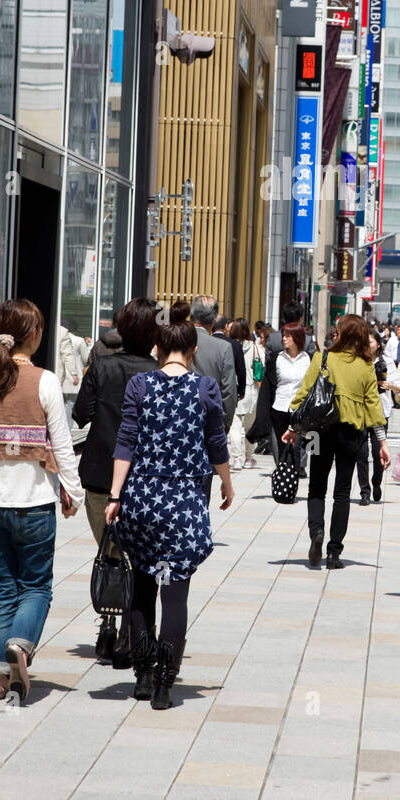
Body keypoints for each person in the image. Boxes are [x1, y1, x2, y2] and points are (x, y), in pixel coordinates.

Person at [0, 299, 84, 702]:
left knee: (0, 590)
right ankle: (20, 645)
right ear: (36, 335)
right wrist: (73, 493)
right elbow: (62, 447)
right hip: (34, 504)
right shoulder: (44, 381)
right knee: (36, 588)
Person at [105, 302, 233, 710]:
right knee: (175, 595)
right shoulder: (204, 389)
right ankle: (164, 682)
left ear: (159, 349)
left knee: (142, 587)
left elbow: (125, 442)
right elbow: (217, 444)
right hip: (183, 502)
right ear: (193, 350)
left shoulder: (140, 386)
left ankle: (142, 675)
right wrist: (227, 484)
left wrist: (114, 496)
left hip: (141, 498)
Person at [72, 297, 159, 661]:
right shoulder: (159, 373)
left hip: (100, 474)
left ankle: (108, 627)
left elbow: (80, 415)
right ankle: (130, 633)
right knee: (137, 555)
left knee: (109, 550)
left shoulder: (102, 368)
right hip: (145, 476)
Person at [284, 314, 389, 569]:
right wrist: (382, 442)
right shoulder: (365, 366)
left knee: (316, 486)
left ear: (339, 333)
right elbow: (374, 405)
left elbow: (305, 392)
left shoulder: (323, 358)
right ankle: (334, 553)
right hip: (351, 434)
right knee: (342, 492)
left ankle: (316, 532)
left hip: (318, 432)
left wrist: (292, 427)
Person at [357, 329, 400, 504]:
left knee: (378, 453)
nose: (368, 345)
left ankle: (376, 482)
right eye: (365, 341)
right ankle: (364, 492)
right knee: (361, 454)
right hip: (360, 413)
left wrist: (390, 385)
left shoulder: (387, 362)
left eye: (371, 341)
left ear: (378, 344)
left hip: (381, 412)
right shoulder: (358, 361)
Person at [189, 295, 237, 428]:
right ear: (214, 320)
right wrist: (224, 423)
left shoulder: (178, 340)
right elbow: (229, 391)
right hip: (211, 420)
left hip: (178, 417)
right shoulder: (223, 347)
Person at [270, 325, 310, 478]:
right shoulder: (277, 358)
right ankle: (282, 480)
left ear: (297, 338)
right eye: (283, 336)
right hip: (279, 408)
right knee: (280, 448)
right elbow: (271, 384)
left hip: (299, 411)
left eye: (288, 336)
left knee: (296, 447)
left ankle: (293, 481)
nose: (284, 339)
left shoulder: (307, 359)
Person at [227, 319, 259, 469]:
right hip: (251, 390)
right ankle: (248, 457)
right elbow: (263, 363)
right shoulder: (254, 346)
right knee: (249, 426)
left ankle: (237, 459)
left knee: (235, 425)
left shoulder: (229, 346)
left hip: (235, 388)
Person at [213, 315, 246, 400]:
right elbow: (241, 371)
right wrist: (241, 390)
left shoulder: (205, 343)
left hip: (208, 388)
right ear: (226, 327)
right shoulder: (235, 345)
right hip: (228, 390)